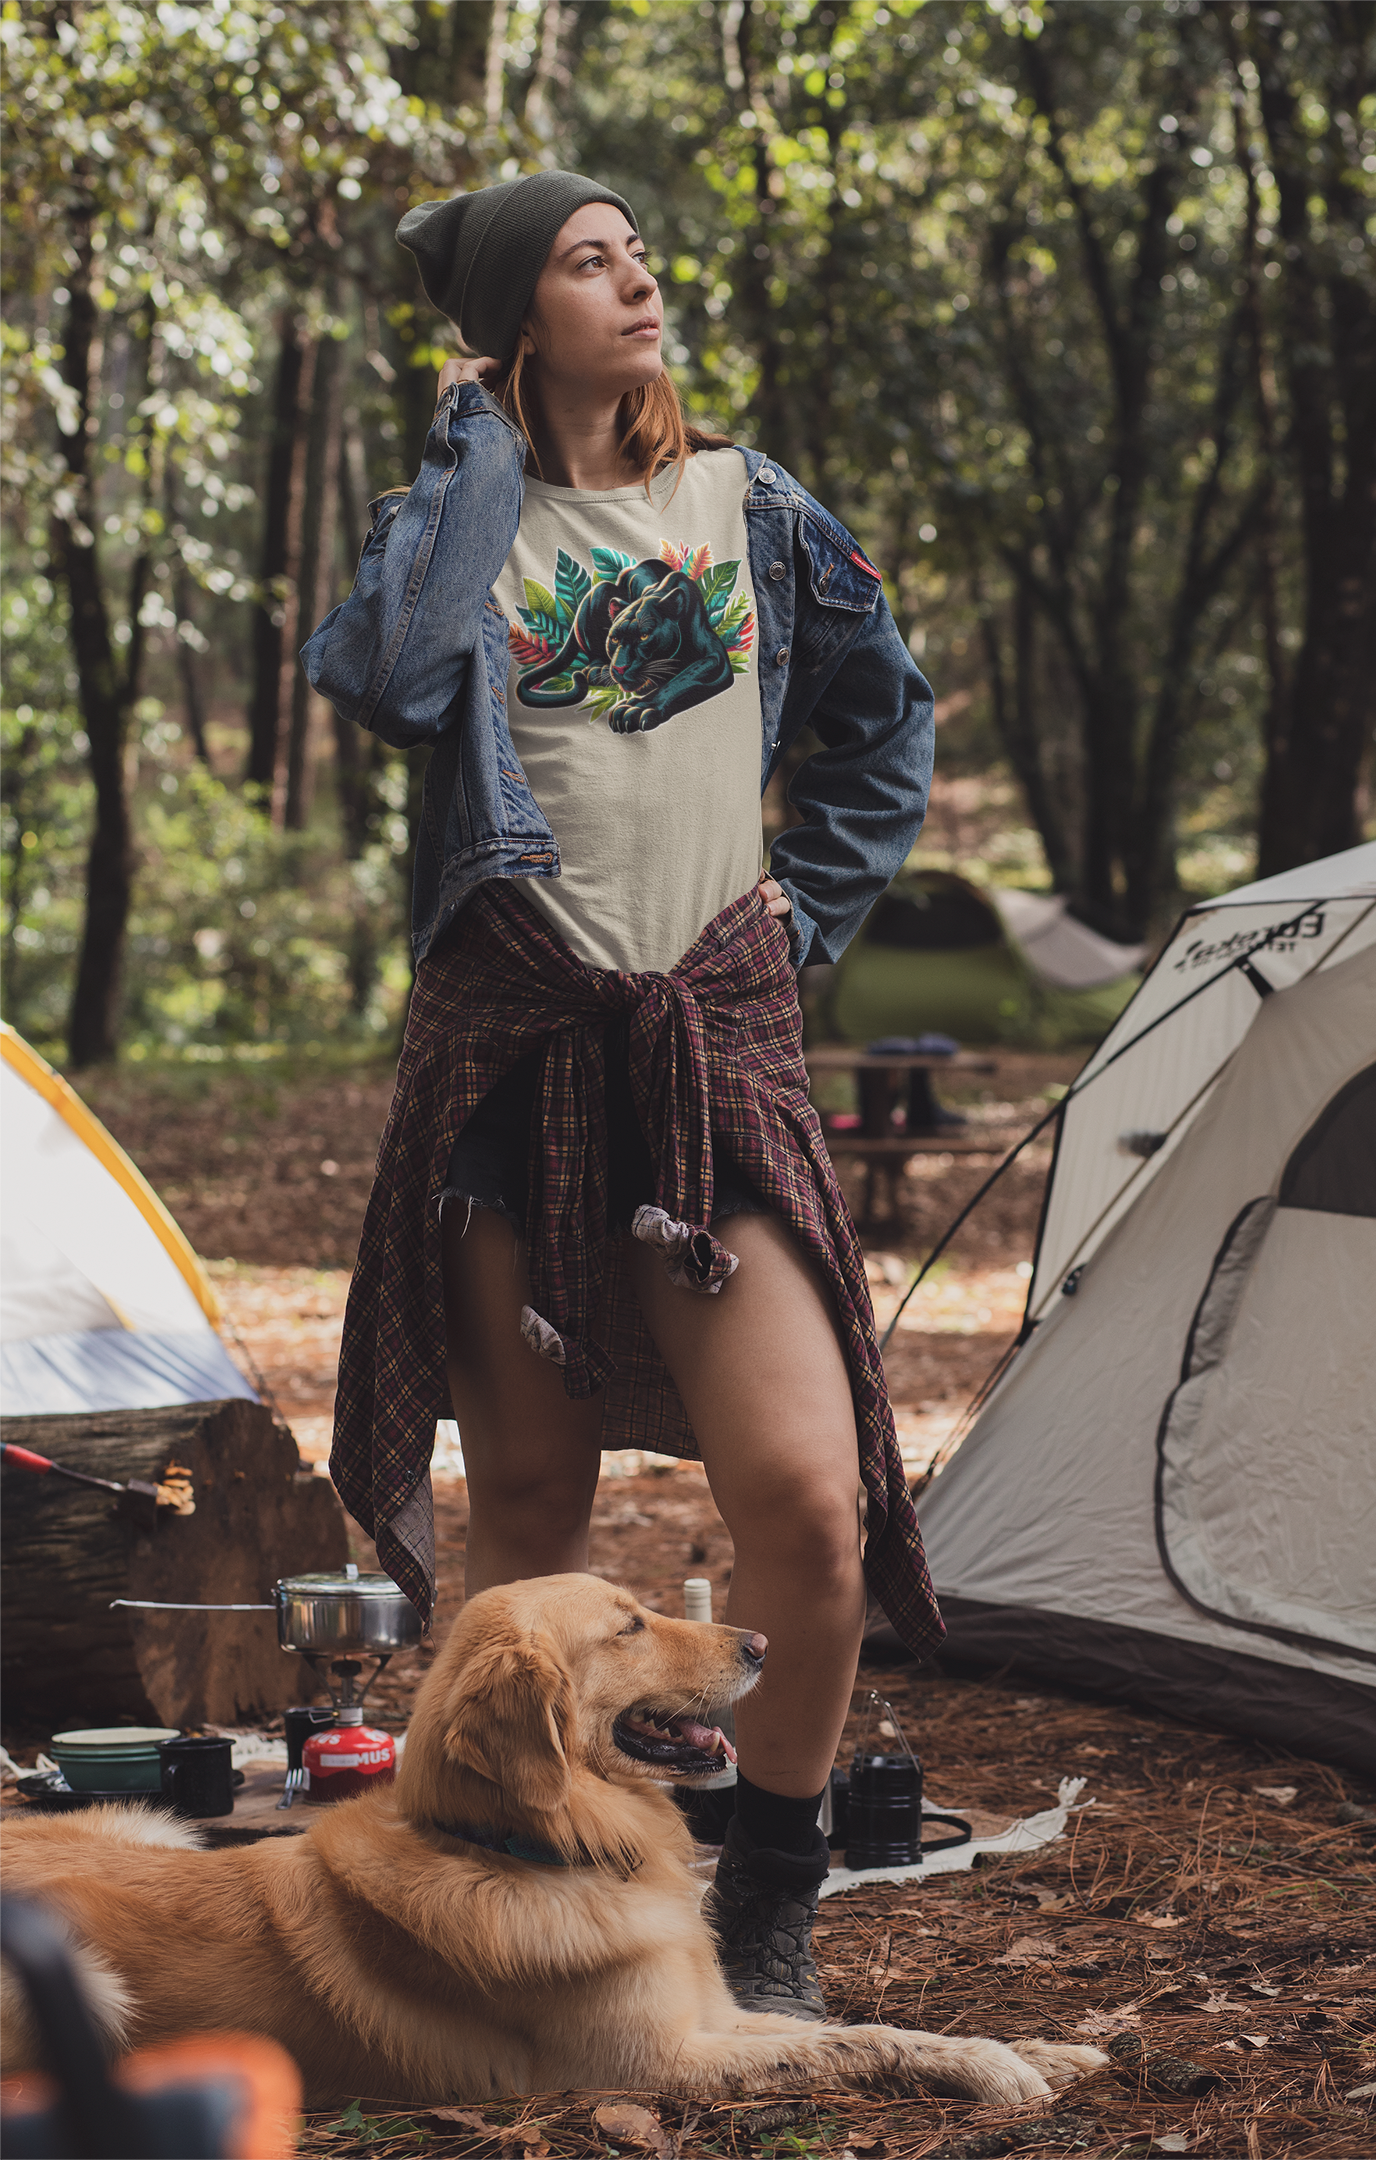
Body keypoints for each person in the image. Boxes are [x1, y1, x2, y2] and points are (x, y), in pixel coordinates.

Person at [301, 169, 942, 2020]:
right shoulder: (446, 530)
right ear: (519, 321)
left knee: (810, 1513)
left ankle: (767, 1896)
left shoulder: (747, 504)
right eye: (590, 263)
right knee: (523, 1505)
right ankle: (520, 1897)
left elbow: (881, 716)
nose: (639, 279)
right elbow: (399, 679)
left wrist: (803, 909)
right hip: (516, 1050)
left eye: (638, 252)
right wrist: (479, 449)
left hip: (712, 1041)